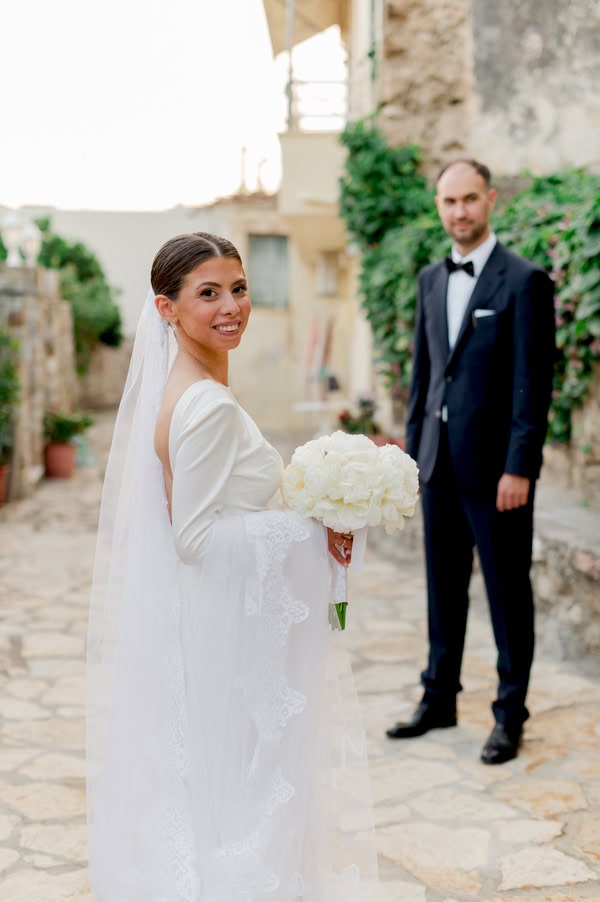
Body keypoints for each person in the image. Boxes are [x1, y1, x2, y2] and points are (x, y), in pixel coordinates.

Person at [86, 232, 378, 900]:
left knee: (215, 787)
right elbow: (195, 539)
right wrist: (310, 529)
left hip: (210, 627)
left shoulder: (184, 385)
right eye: (208, 293)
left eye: (240, 288)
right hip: (226, 634)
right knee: (245, 791)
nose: (231, 307)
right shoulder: (207, 403)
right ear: (166, 308)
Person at [386, 161, 555, 764]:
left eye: (469, 200)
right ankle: (439, 697)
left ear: (489, 200)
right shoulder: (432, 278)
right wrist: (412, 459)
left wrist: (520, 467)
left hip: (497, 474)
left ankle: (510, 714)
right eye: (448, 201)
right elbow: (424, 377)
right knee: (443, 588)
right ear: (439, 205)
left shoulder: (525, 280)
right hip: (437, 465)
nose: (459, 212)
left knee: (509, 594)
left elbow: (532, 386)